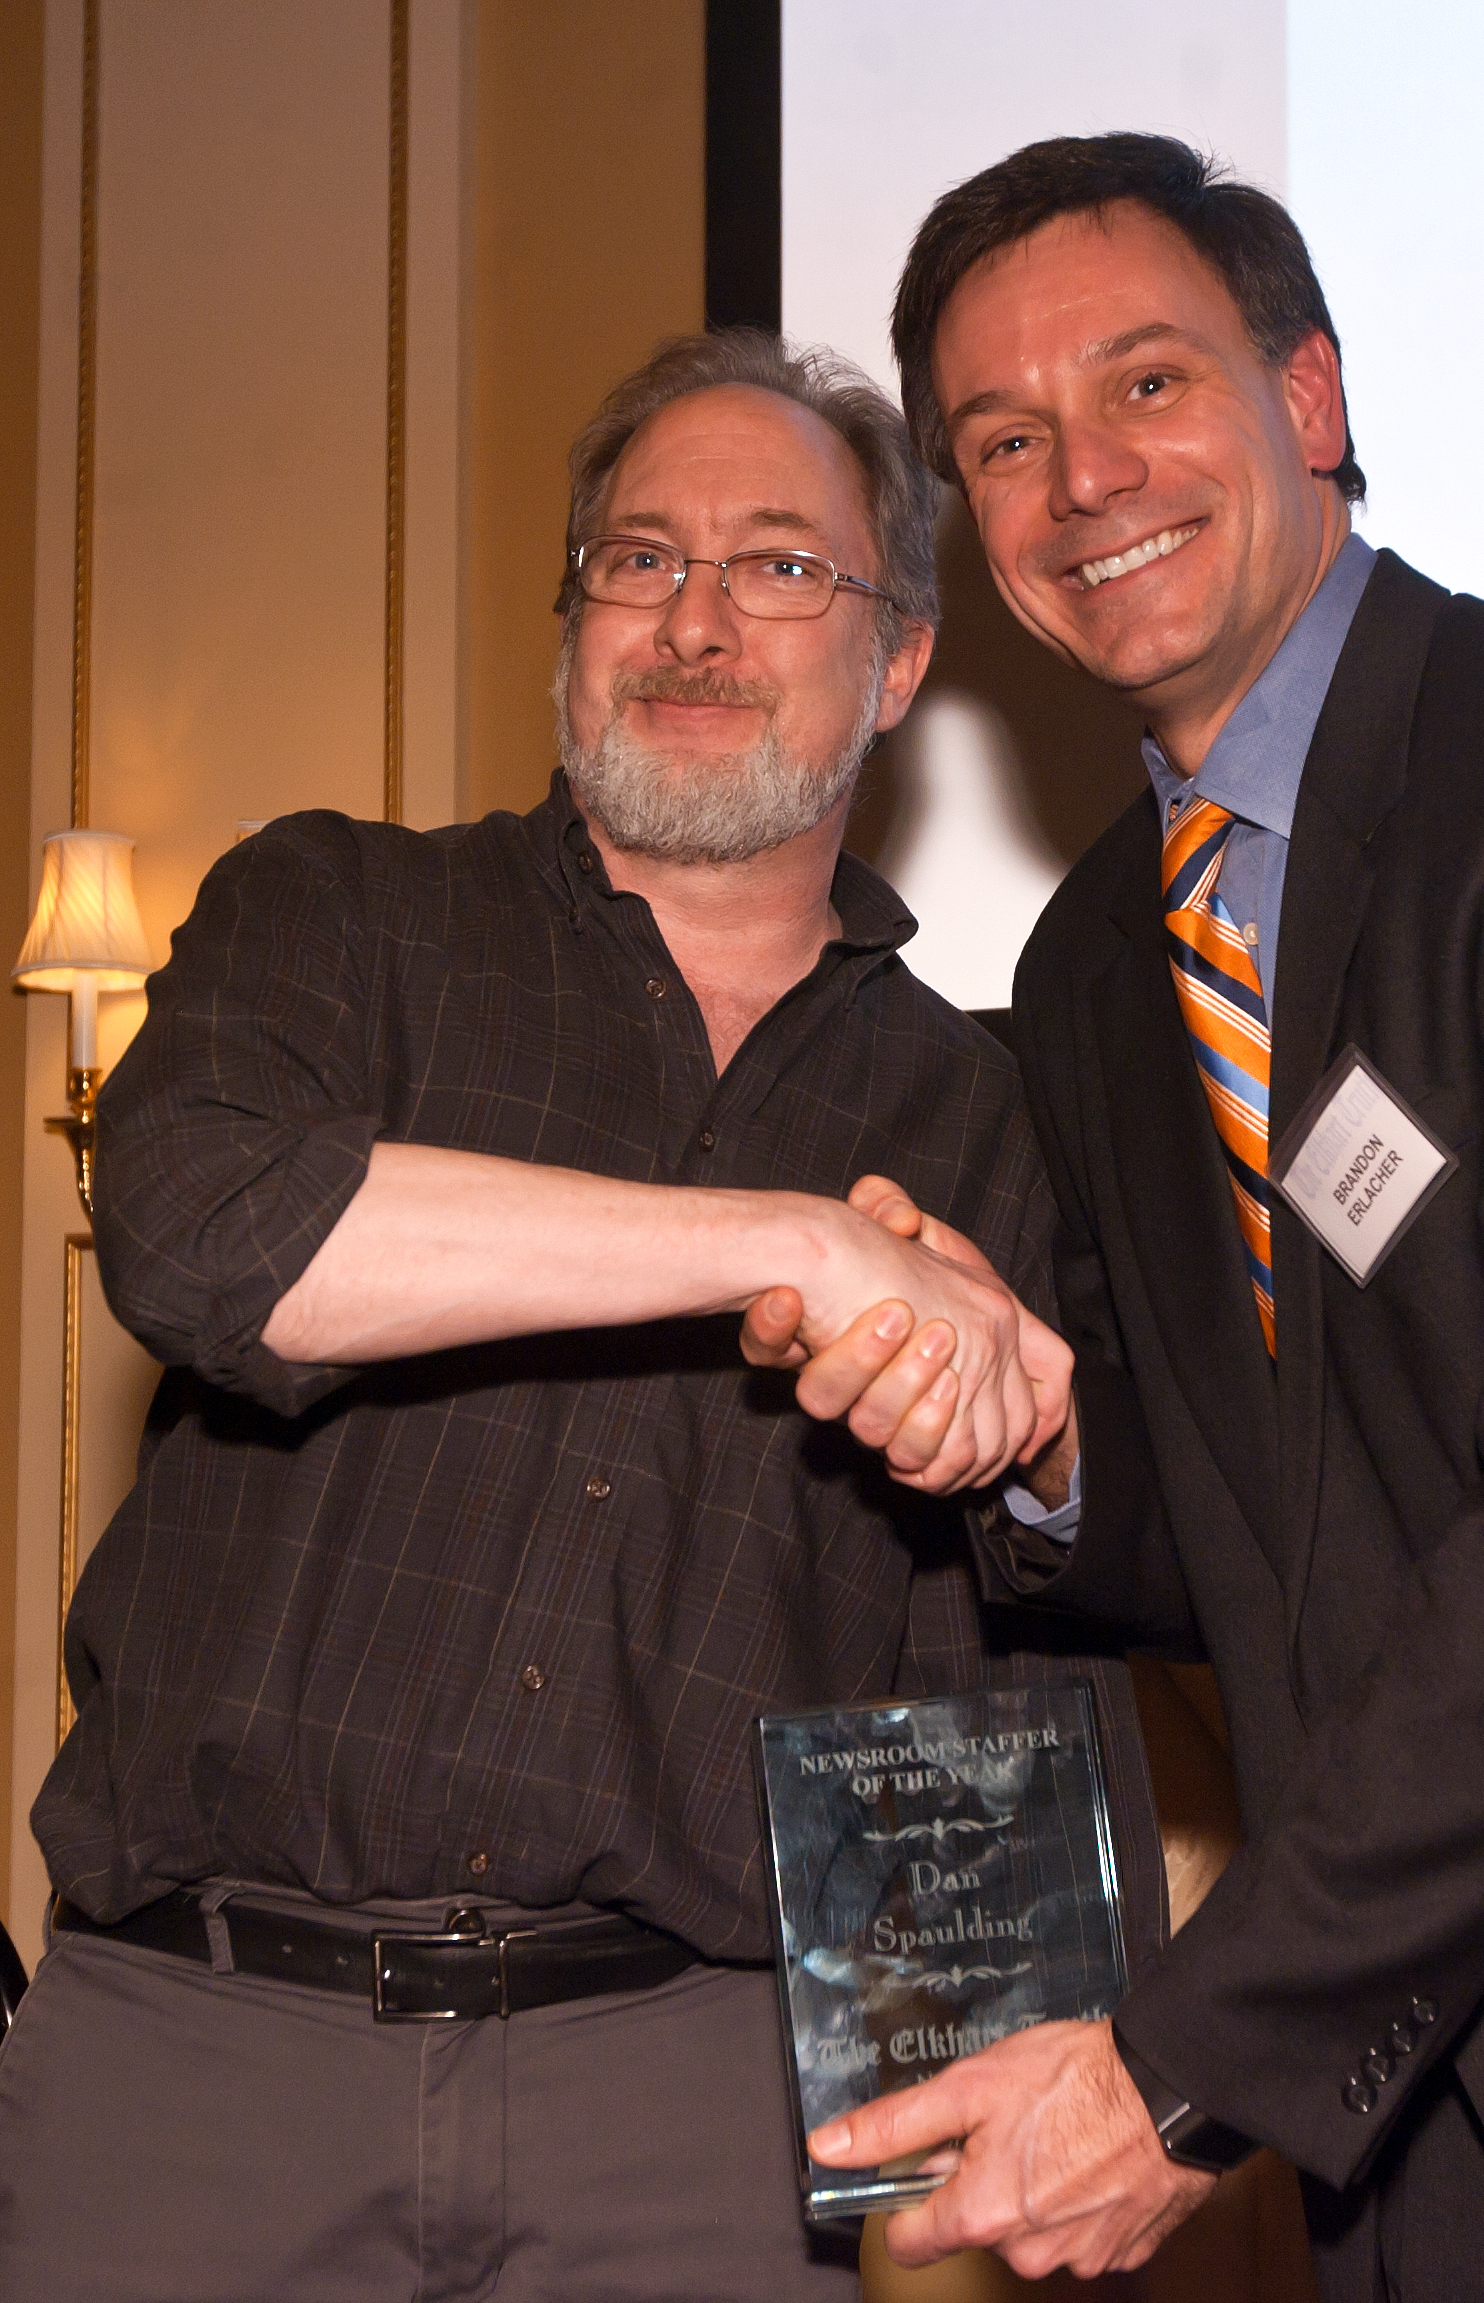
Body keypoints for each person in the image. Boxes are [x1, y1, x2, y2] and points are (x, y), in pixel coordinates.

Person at [782, 134, 1484, 2300]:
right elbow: (1263, 1541)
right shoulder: (1094, 966)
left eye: (1146, 382)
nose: (1084, 478)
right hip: (1398, 2132)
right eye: (1004, 440)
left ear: (1309, 396)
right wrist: (1041, 1431)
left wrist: (1189, 2068)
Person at [0, 330, 1164, 2303]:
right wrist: (793, 1245)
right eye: (639, 559)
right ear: (571, 627)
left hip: (691, 2119)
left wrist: (1007, 2120)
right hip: (203, 2067)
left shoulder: (981, 1112)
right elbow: (208, 1238)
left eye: (778, 565)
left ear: (897, 661)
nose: (694, 619)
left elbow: (969, 1675)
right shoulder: (338, 913)